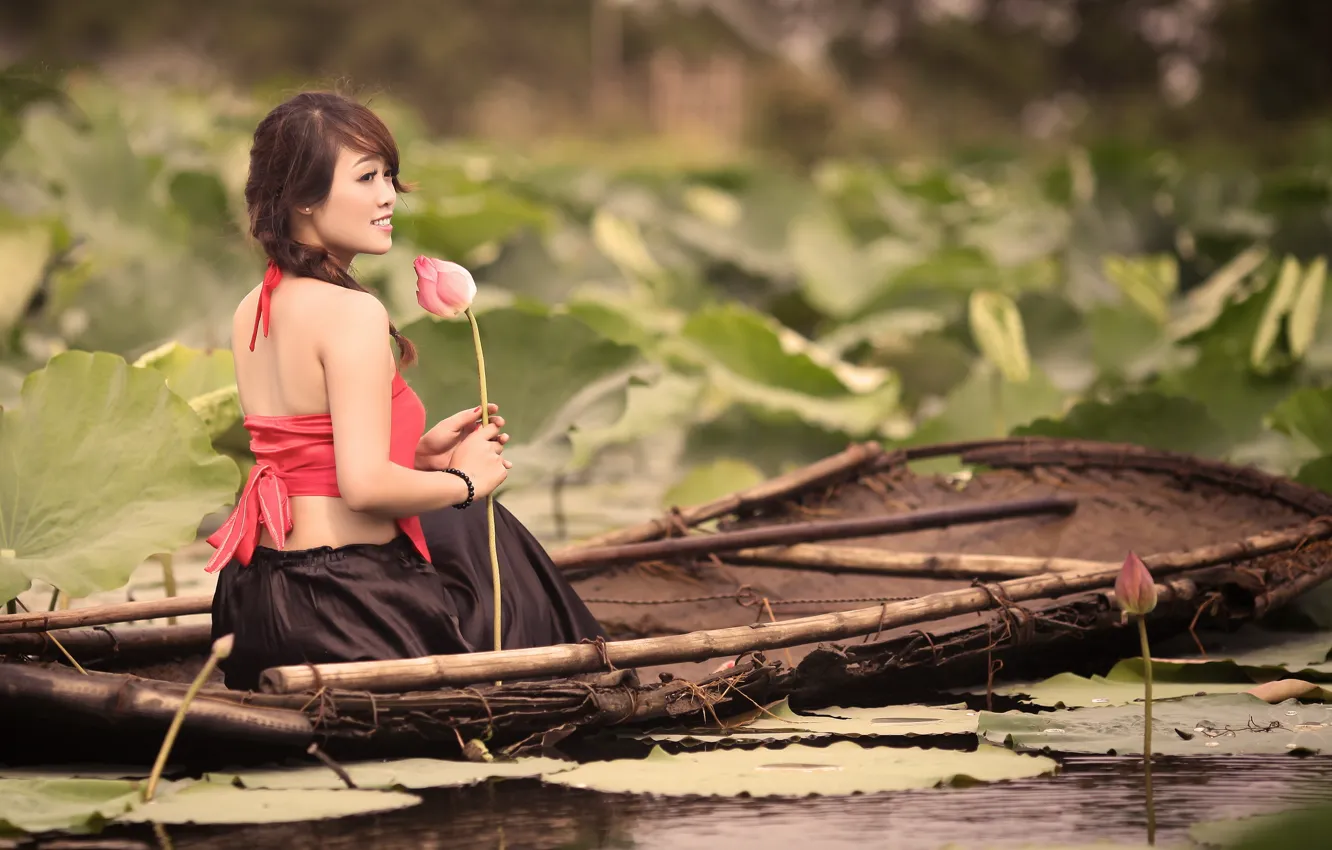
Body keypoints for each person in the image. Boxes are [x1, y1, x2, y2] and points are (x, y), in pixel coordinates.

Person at [207, 91, 604, 691]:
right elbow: (362, 488)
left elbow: (310, 451)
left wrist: (418, 458)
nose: (389, 195)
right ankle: (589, 684)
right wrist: (467, 481)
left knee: (459, 528)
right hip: (344, 604)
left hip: (254, 595)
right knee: (481, 530)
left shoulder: (252, 308)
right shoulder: (351, 313)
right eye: (366, 177)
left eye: (388, 175)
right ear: (304, 198)